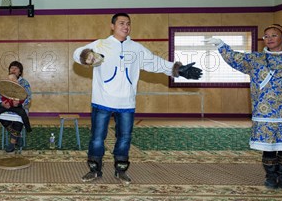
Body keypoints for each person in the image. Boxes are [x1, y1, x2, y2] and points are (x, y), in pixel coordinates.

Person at [73, 12, 202, 183]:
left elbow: (155, 63)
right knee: (97, 137)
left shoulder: (136, 48)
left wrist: (178, 69)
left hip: (126, 102)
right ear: (112, 26)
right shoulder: (100, 45)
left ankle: (121, 169)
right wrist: (86, 56)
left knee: (125, 137)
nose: (125, 26)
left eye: (128, 23)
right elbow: (77, 53)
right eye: (121, 23)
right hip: (102, 101)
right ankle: (94, 169)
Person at [205, 24, 282, 190]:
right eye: (266, 36)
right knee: (269, 147)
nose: (269, 38)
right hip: (265, 112)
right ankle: (271, 177)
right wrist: (221, 45)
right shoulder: (255, 59)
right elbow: (235, 58)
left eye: (273, 35)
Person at [0, 61, 32, 152]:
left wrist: (20, 103)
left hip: (19, 107)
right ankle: (17, 136)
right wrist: (2, 103)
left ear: (20, 72)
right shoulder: (4, 82)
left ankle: (12, 143)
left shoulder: (24, 83)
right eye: (11, 68)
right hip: (6, 106)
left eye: (16, 68)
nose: (13, 70)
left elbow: (28, 97)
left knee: (19, 117)